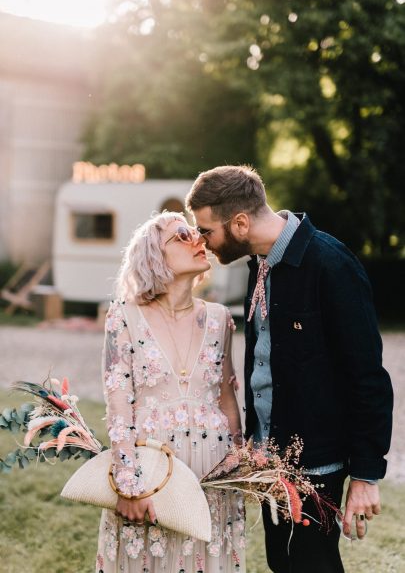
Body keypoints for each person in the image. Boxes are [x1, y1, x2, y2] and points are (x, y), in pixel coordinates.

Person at [186, 165, 393, 573]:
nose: (202, 242)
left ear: (240, 222)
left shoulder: (331, 264)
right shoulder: (259, 265)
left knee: (313, 564)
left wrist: (366, 476)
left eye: (207, 231)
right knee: (282, 562)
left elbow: (368, 377)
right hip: (269, 459)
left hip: (317, 462)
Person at [95, 211, 245, 573]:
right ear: (153, 254)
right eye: (181, 234)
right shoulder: (123, 317)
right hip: (149, 480)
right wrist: (128, 485)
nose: (198, 239)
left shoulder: (220, 318)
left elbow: (227, 399)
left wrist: (240, 465)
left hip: (212, 480)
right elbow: (118, 406)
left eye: (196, 232)